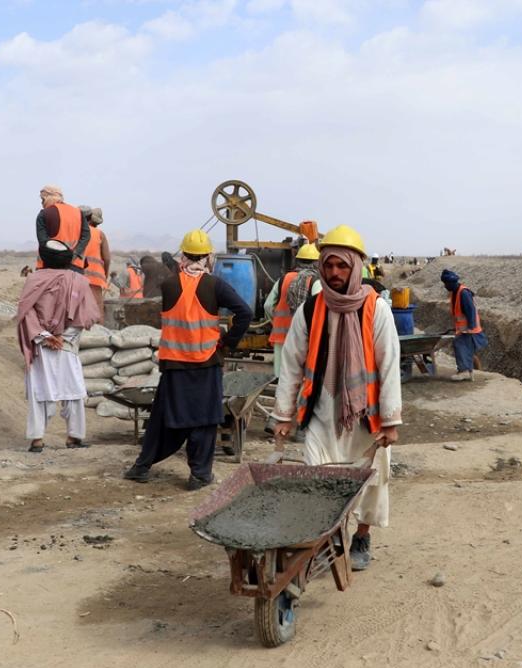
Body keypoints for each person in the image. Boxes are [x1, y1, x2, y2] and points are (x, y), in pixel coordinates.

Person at [272, 225, 402, 572]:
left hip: (366, 415)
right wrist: (283, 416)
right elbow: (291, 362)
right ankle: (324, 539)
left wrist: (391, 421)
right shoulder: (311, 310)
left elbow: (389, 364)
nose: (334, 273)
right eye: (328, 265)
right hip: (321, 411)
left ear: (356, 266)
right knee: (317, 478)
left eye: (342, 266)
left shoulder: (377, 309)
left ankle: (361, 534)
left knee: (372, 479)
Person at [122, 230, 252, 491]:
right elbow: (245, 312)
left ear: (183, 255)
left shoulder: (169, 285)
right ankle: (199, 475)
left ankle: (142, 466)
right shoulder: (215, 285)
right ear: (208, 257)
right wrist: (227, 343)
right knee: (203, 419)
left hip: (174, 364)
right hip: (205, 362)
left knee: (164, 416)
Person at [16, 240, 103, 452]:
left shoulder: (33, 280)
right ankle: (75, 437)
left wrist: (44, 336)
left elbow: (25, 313)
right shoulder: (80, 281)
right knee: (73, 391)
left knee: (40, 392)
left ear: (44, 258)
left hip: (41, 346)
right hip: (67, 345)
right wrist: (63, 337)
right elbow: (88, 316)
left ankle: (37, 440)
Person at [265, 242, 320, 376]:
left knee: (281, 380)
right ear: (317, 262)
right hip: (305, 340)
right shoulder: (315, 282)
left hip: (281, 338)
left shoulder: (283, 279)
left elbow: (267, 305)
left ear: (298, 260)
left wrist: (276, 320)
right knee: (302, 382)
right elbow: (320, 312)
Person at [441, 269, 488, 381]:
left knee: (459, 344)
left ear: (451, 283)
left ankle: (464, 371)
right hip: (463, 328)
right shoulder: (456, 292)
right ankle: (469, 371)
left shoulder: (463, 293)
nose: (445, 286)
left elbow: (470, 310)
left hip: (469, 329)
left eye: (446, 284)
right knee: (466, 350)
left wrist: (470, 327)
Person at [35, 185, 89, 275]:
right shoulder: (78, 212)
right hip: (75, 266)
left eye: (43, 199)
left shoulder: (44, 213)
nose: (42, 202)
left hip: (51, 268)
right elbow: (86, 236)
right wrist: (74, 255)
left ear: (49, 197)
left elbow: (43, 242)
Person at [78, 206, 110, 307]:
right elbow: (107, 258)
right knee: (97, 308)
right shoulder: (100, 234)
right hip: (95, 278)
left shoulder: (76, 231)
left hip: (77, 276)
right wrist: (105, 274)